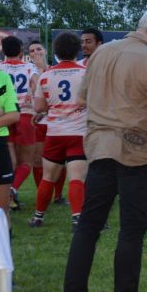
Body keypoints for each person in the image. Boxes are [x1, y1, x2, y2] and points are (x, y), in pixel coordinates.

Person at [62, 7, 147, 292]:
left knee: (88, 226)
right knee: (132, 229)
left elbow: (82, 99)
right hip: (137, 155)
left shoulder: (100, 53)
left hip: (99, 149)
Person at [28, 32, 87, 231]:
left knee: (48, 177)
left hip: (55, 133)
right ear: (77, 50)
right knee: (77, 177)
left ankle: (38, 217)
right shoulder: (85, 73)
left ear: (56, 52)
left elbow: (38, 107)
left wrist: (51, 106)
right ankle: (78, 219)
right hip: (78, 133)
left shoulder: (46, 75)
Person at [0, 36, 39, 210]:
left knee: (10, 160)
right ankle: (11, 191)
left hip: (4, 117)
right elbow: (38, 86)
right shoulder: (29, 67)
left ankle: (6, 195)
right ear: (22, 51)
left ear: (3, 52)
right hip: (25, 115)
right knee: (27, 162)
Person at [28, 41, 67, 204]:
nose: (35, 52)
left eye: (38, 49)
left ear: (45, 51)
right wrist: (37, 69)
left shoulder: (55, 70)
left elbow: (52, 96)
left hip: (55, 120)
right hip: (36, 121)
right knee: (37, 160)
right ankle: (43, 194)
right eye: (31, 51)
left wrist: (41, 69)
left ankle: (58, 196)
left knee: (60, 160)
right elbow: (37, 93)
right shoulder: (28, 71)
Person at [0, 69, 20, 227]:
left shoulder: (2, 77)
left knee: (2, 211)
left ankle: (4, 249)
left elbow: (14, 115)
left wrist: (2, 114)